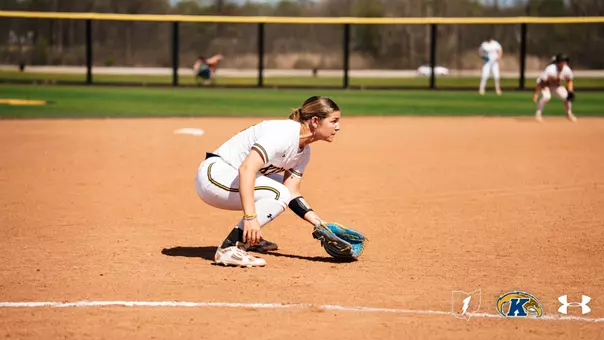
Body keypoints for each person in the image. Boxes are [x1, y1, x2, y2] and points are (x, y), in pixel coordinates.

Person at [195, 96, 342, 267]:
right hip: (215, 176)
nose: (338, 127)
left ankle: (248, 238)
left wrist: (320, 223)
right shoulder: (283, 134)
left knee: (282, 191)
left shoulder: (304, 151)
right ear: (315, 121)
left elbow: (292, 191)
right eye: (334, 121)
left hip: (232, 177)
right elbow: (247, 169)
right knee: (278, 194)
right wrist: (250, 218)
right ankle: (230, 248)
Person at [533, 54, 577, 122]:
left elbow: (569, 81)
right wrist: (536, 93)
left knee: (567, 97)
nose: (563, 63)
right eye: (561, 61)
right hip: (545, 85)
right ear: (557, 62)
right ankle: (538, 114)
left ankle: (569, 114)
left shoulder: (567, 70)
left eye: (565, 62)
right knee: (546, 97)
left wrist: (570, 91)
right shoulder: (550, 69)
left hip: (556, 86)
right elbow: (542, 82)